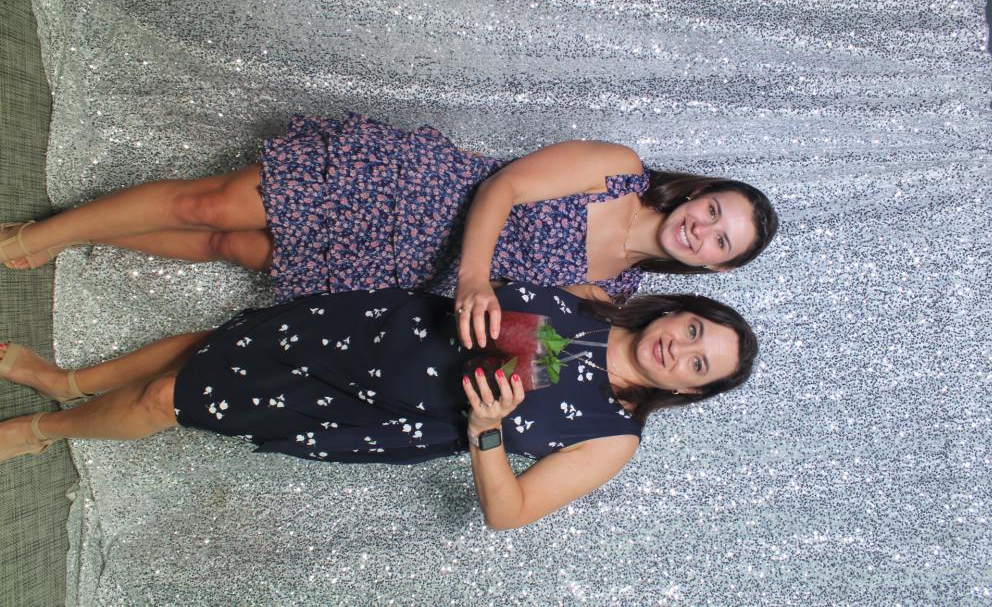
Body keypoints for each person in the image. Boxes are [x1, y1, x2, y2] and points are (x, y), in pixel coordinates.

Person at [0, 282, 757, 530]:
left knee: (172, 398)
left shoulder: (614, 436)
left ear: (689, 390)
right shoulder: (589, 299)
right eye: (695, 330)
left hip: (371, 404)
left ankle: (42, 430)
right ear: (678, 310)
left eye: (699, 365)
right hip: (367, 326)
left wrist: (487, 431)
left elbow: (510, 511)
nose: (680, 349)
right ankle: (67, 381)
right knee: (212, 344)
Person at [0, 112, 777, 349]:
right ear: (699, 192)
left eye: (721, 242)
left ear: (713, 269)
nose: (702, 229)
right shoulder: (620, 170)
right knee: (210, 206)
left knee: (228, 247)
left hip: (403, 267)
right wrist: (475, 276)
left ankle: (75, 235)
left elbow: (522, 324)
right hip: (405, 186)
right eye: (714, 210)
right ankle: (37, 240)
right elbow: (504, 187)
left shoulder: (615, 290)